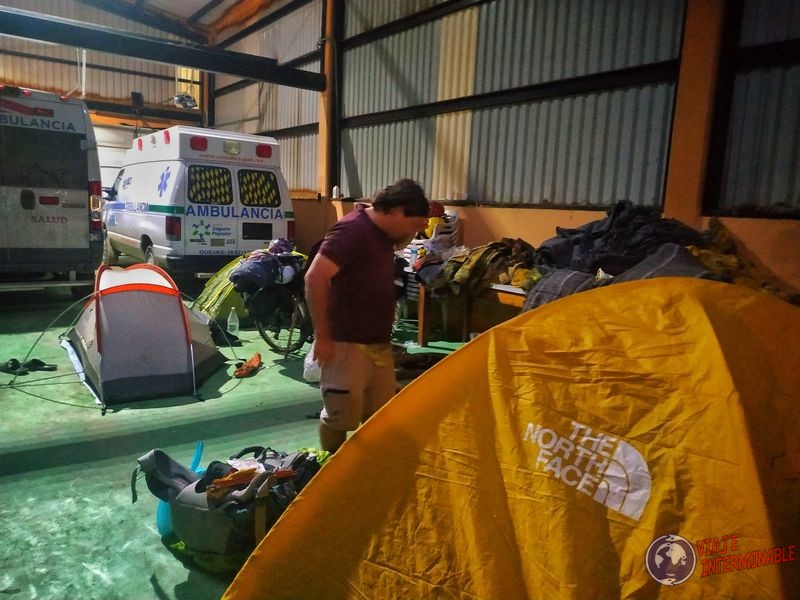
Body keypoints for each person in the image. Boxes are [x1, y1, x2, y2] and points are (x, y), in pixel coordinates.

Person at [304, 178, 431, 453]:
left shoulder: (384, 235)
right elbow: (315, 278)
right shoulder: (352, 231)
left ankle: (364, 473)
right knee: (340, 415)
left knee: (379, 417)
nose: (415, 233)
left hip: (378, 345)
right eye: (413, 225)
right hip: (345, 344)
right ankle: (327, 468)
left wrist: (415, 226)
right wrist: (322, 337)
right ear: (397, 211)